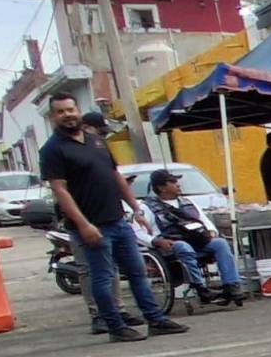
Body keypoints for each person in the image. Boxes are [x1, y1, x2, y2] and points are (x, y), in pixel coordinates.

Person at [39, 93, 185, 342]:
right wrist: (84, 225)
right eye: (61, 111)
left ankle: (155, 319)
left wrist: (135, 207)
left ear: (78, 110)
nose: (68, 115)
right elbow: (60, 190)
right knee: (103, 277)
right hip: (91, 226)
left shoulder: (96, 141)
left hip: (117, 220)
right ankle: (115, 326)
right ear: (53, 117)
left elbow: (115, 175)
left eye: (71, 109)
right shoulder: (52, 150)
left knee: (138, 271)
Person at [145, 170, 244, 306]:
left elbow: (204, 220)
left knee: (220, 243)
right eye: (173, 182)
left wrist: (211, 231)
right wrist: (156, 241)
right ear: (161, 187)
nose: (178, 185)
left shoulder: (188, 202)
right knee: (183, 246)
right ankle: (201, 288)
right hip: (172, 245)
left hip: (197, 240)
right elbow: (138, 232)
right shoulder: (147, 208)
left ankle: (232, 286)